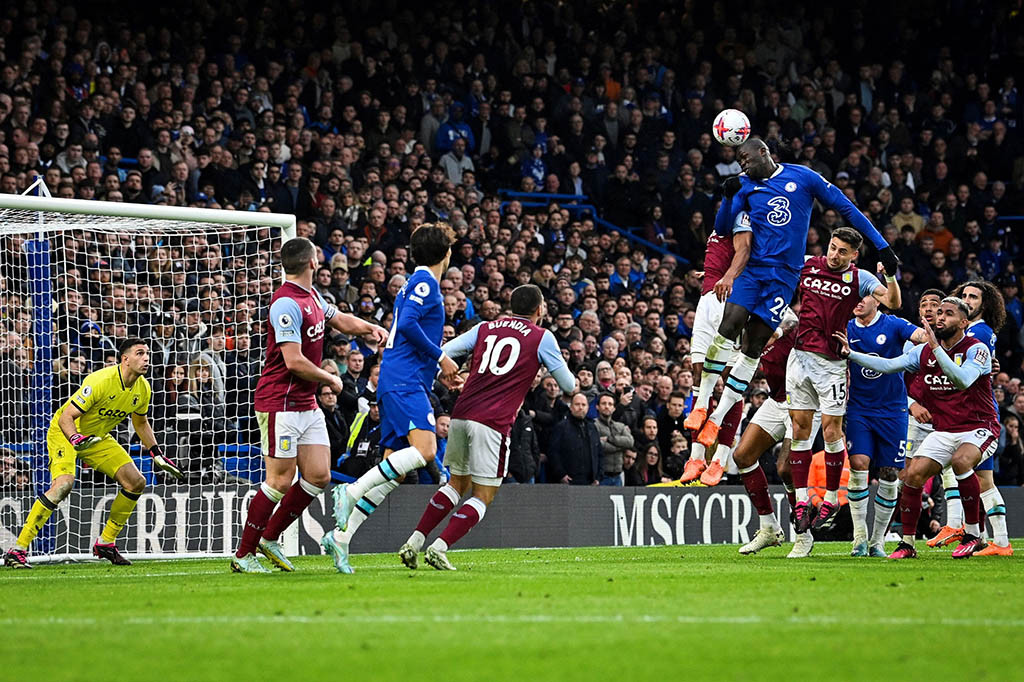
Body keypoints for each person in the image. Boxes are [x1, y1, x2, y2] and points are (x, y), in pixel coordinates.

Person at [686, 138, 898, 456]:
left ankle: (716, 419)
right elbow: (723, 228)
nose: (742, 163)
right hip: (753, 271)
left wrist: (881, 246)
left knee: (753, 346)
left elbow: (845, 207)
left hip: (783, 278)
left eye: (745, 157)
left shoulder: (803, 177)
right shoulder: (744, 185)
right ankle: (702, 404)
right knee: (729, 325)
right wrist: (729, 198)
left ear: (763, 152)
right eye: (738, 159)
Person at [231, 237, 388, 574]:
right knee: (279, 480)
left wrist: (370, 328)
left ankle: (269, 538)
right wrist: (330, 378)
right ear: (313, 262)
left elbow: (340, 320)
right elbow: (293, 361)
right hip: (280, 403)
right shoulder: (285, 303)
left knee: (318, 475)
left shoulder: (312, 296)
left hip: (305, 403)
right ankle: (243, 554)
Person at [398, 284, 576, 570]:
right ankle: (439, 547)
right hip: (493, 422)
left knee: (456, 484)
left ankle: (413, 542)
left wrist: (453, 375)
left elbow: (445, 351)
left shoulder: (485, 327)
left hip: (461, 414)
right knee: (484, 494)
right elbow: (568, 385)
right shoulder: (542, 337)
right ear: (539, 309)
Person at [322, 224, 460, 574]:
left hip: (402, 379)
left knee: (393, 472)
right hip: (403, 382)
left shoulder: (414, 282)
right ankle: (350, 492)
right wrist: (441, 356)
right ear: (446, 254)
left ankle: (341, 537)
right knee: (426, 450)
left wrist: (438, 368)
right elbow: (410, 325)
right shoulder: (426, 283)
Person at [835, 297, 998, 559]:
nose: (940, 317)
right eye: (939, 312)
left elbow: (963, 380)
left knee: (961, 462)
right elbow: (888, 365)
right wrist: (851, 354)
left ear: (963, 323)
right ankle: (908, 544)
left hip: (979, 426)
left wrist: (936, 349)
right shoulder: (922, 352)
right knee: (911, 475)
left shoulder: (976, 349)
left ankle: (972, 535)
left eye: (948, 313)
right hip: (945, 430)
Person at [4, 338, 182, 568]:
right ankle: (18, 549)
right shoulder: (100, 380)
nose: (146, 358)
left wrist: (156, 452)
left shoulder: (143, 388)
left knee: (136, 482)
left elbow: (140, 422)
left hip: (97, 437)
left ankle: (106, 542)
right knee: (63, 485)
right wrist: (75, 439)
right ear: (125, 359)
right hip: (66, 432)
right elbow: (66, 417)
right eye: (140, 353)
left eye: (147, 353)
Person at [783, 227, 900, 533]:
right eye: (832, 248)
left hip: (831, 363)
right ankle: (802, 500)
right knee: (799, 429)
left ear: (854, 255)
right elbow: (770, 267)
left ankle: (833, 498)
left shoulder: (861, 278)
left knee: (831, 430)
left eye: (842, 251)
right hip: (799, 358)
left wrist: (890, 275)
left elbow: (893, 301)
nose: (835, 255)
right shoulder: (808, 263)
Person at [926, 280, 1011, 555]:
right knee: (981, 478)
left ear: (985, 305)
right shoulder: (976, 330)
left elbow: (969, 369)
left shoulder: (978, 332)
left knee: (966, 472)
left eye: (974, 297)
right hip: (967, 411)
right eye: (964, 295)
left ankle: (963, 527)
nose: (968, 300)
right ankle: (991, 538)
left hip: (975, 414)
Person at [844, 296, 927, 556]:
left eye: (864, 296)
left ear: (878, 301)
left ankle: (877, 540)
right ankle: (859, 537)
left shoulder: (894, 325)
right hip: (859, 409)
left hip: (893, 411)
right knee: (859, 464)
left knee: (890, 473)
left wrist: (928, 332)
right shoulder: (845, 326)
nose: (858, 301)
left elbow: (921, 336)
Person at [732, 312, 820, 558]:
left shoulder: (777, 312)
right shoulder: (743, 327)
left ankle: (804, 536)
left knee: (786, 468)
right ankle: (769, 527)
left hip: (805, 401)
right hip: (778, 399)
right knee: (742, 456)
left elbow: (794, 321)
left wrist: (777, 332)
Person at [679, 229, 746, 486]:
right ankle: (695, 457)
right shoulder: (723, 223)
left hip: (734, 303)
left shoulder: (751, 223)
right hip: (709, 299)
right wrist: (712, 274)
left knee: (730, 382)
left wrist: (731, 276)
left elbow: (749, 254)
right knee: (698, 374)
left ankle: (720, 458)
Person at [547, 393, 602, 486]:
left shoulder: (592, 428)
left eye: (583, 405)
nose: (580, 407)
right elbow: (553, 453)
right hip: (569, 481)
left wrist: (598, 477)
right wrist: (561, 474)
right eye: (577, 404)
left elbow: (599, 453)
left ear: (588, 408)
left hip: (590, 482)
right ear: (571, 407)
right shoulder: (561, 427)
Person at [594, 392, 634, 486]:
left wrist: (609, 439)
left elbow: (630, 442)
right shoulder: (593, 425)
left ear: (614, 408)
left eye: (610, 404)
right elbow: (599, 446)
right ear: (597, 407)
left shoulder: (620, 426)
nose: (607, 406)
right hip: (602, 476)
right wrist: (621, 446)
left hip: (618, 476)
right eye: (604, 403)